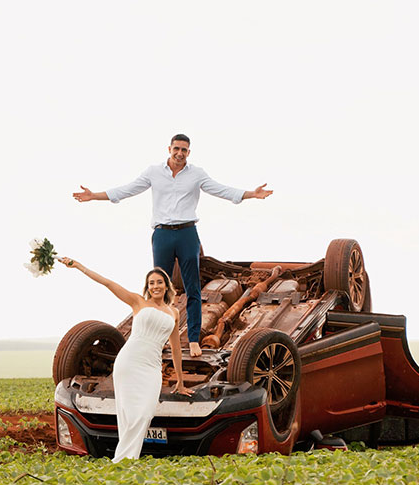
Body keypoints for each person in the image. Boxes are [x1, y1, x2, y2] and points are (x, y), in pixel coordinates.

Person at [73, 133, 272, 357]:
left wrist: (250, 194)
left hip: (187, 233)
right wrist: (95, 196)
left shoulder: (196, 174)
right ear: (169, 149)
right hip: (162, 235)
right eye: (176, 149)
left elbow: (220, 189)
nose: (180, 153)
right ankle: (156, 340)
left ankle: (194, 339)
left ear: (189, 152)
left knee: (193, 288)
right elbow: (128, 189)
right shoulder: (153, 172)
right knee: (158, 288)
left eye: (184, 150)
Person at [58, 258, 189, 461]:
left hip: (152, 366)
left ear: (166, 286)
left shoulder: (174, 312)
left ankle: (123, 459)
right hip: (129, 361)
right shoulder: (138, 302)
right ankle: (125, 461)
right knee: (129, 415)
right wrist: (79, 266)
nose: (155, 286)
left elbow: (175, 348)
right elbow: (108, 283)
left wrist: (180, 381)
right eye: (151, 283)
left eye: (159, 282)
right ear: (147, 287)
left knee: (145, 413)